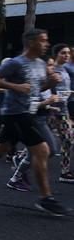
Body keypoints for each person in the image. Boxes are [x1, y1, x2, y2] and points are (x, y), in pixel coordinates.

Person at [0, 29, 67, 217]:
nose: (46, 44)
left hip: (28, 112)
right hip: (15, 113)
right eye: (43, 41)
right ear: (31, 42)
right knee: (42, 150)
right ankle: (46, 198)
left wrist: (50, 82)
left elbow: (36, 88)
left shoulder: (40, 64)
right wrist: (15, 86)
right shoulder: (16, 63)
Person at [50, 44, 73, 183]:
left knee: (68, 139)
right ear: (56, 54)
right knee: (41, 142)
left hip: (63, 111)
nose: (67, 55)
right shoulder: (51, 70)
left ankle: (64, 172)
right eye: (63, 53)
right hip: (51, 111)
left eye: (68, 53)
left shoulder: (65, 70)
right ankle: (21, 158)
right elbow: (45, 90)